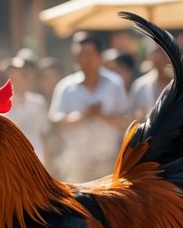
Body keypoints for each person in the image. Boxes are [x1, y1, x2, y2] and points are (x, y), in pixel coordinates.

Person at [48, 33, 130, 182]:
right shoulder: (65, 87)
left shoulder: (114, 84)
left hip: (108, 162)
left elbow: (126, 121)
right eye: (81, 54)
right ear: (75, 57)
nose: (86, 59)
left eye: (90, 54)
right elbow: (54, 122)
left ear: (99, 56)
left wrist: (101, 115)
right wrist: (80, 117)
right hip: (75, 164)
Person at [1, 56, 50, 162]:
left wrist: (47, 161)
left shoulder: (38, 102)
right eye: (14, 73)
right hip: (11, 160)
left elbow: (44, 134)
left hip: (37, 159)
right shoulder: (0, 104)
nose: (18, 76)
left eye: (22, 73)